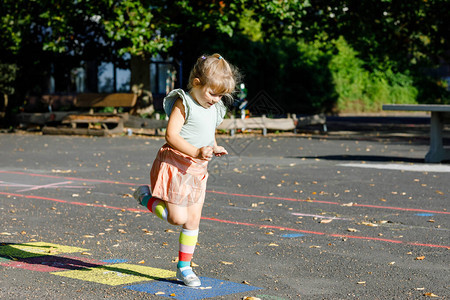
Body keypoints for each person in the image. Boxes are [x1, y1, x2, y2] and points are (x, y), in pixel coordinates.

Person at [133, 53, 240, 287]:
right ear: (196, 83)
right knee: (176, 218)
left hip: (198, 169)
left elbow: (209, 131)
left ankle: (184, 268)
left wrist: (212, 146)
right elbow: (170, 135)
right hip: (176, 165)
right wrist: (195, 152)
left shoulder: (214, 106)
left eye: (221, 95)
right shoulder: (185, 102)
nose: (215, 99)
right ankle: (144, 198)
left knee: (193, 221)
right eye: (213, 93)